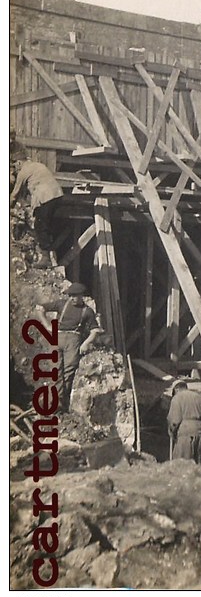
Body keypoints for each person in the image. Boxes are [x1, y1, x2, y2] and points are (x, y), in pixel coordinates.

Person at [35, 283, 101, 412]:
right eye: (70, 295)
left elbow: (95, 330)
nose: (72, 298)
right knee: (55, 370)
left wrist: (85, 343)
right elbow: (40, 308)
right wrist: (47, 326)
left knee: (69, 370)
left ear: (82, 296)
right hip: (57, 337)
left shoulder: (87, 311)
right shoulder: (61, 304)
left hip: (73, 339)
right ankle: (56, 403)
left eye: (75, 296)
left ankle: (59, 402)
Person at [10, 154, 64, 269]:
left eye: (15, 166)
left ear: (19, 163)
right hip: (57, 195)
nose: (15, 169)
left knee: (40, 226)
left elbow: (15, 194)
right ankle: (51, 257)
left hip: (46, 197)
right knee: (47, 226)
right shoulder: (37, 166)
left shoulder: (23, 172)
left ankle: (46, 259)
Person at [167, 380, 201, 462]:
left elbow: (175, 420)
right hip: (200, 430)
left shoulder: (177, 398)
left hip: (186, 432)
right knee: (198, 462)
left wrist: (171, 432)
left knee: (182, 462)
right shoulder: (198, 397)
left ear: (176, 389)